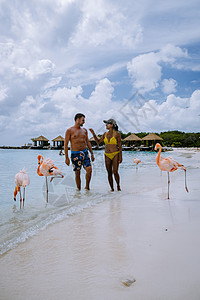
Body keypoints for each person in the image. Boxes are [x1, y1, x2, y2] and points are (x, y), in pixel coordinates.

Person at [89, 119, 122, 191]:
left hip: (115, 153)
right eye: (106, 123)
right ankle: (112, 189)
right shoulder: (105, 134)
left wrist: (121, 157)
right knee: (109, 172)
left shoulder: (117, 134)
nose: (106, 125)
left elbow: (120, 146)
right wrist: (93, 133)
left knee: (115, 171)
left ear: (112, 125)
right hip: (107, 154)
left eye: (108, 123)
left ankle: (118, 186)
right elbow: (98, 142)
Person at [64, 113, 95, 190]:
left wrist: (92, 153)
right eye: (83, 120)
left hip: (85, 153)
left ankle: (87, 187)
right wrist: (66, 158)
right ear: (77, 120)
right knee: (77, 173)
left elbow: (88, 142)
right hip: (75, 154)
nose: (84, 122)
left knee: (89, 170)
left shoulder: (84, 130)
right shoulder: (69, 130)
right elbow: (65, 145)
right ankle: (78, 191)